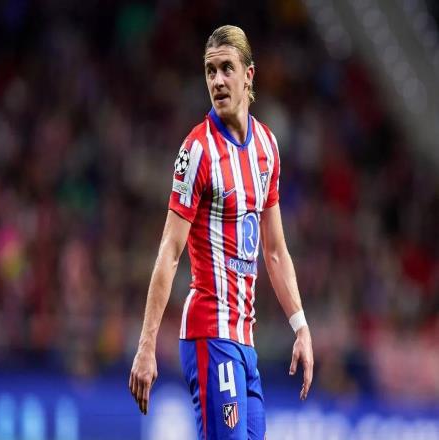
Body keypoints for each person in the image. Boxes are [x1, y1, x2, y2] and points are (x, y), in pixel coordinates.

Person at [129, 25, 314, 439]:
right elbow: (169, 251)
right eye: (210, 71)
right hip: (210, 334)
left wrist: (300, 326)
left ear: (249, 75)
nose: (217, 81)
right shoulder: (196, 151)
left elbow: (275, 250)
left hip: (245, 340)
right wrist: (146, 346)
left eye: (226, 68)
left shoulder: (267, 147)